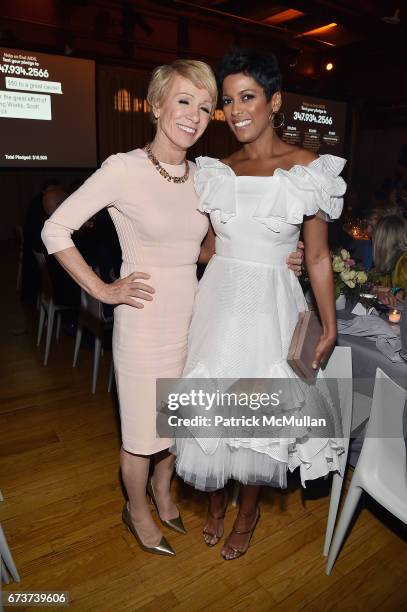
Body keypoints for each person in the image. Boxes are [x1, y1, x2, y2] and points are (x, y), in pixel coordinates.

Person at [40, 57, 306, 557]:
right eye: (184, 101)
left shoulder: (204, 175)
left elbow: (213, 247)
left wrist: (279, 255)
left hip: (196, 315)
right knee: (142, 432)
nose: (195, 115)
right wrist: (102, 290)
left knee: (176, 424)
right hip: (143, 320)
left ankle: (164, 493)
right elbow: (54, 230)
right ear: (157, 105)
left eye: (206, 107)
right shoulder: (123, 168)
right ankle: (136, 508)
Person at [173, 48, 346, 560]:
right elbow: (204, 248)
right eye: (228, 101)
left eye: (247, 97)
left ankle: (246, 512)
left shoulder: (306, 170)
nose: (236, 110)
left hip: (271, 304)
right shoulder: (216, 170)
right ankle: (214, 501)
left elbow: (316, 255)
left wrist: (330, 325)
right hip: (218, 302)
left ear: (274, 101)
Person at [373, 214, 407, 306]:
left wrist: (391, 290)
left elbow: (402, 295)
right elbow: (375, 285)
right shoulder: (391, 262)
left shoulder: (404, 263)